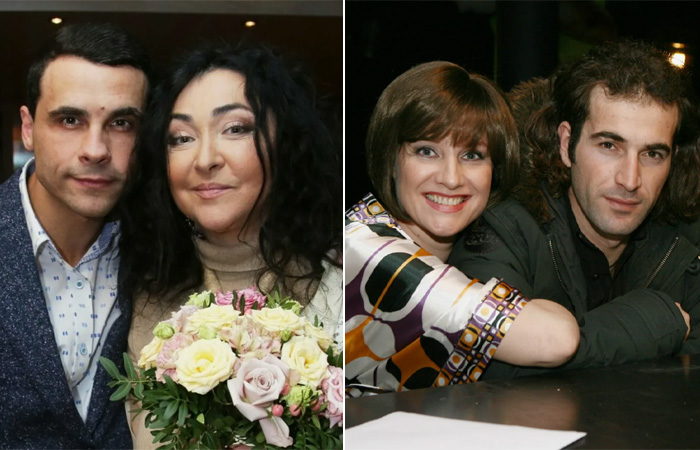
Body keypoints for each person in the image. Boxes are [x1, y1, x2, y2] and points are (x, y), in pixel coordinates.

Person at [118, 42, 342, 446]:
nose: (205, 159)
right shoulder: (142, 292)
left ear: (284, 142)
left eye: (235, 129)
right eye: (180, 138)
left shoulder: (342, 286)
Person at [449, 40, 700, 380]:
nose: (630, 180)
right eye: (609, 145)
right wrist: (652, 321)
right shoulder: (501, 232)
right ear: (567, 145)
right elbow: (494, 369)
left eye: (652, 154)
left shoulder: (686, 242)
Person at [345, 61, 580, 395]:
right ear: (391, 161)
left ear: (495, 170)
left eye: (472, 155)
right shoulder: (371, 251)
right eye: (427, 151)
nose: (451, 178)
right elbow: (557, 339)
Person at [0, 23, 150, 448]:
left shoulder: (161, 245)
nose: (96, 149)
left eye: (121, 123)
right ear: (28, 128)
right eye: (70, 119)